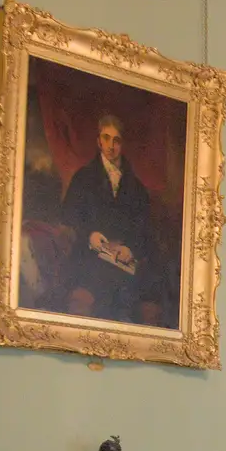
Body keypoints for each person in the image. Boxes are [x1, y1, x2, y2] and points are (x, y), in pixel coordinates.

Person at [61, 115, 156, 324]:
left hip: (125, 260)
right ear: (98, 141)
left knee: (133, 298)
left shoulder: (137, 188)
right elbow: (70, 215)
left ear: (122, 144)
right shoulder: (83, 178)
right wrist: (89, 234)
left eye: (116, 140)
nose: (111, 146)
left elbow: (144, 227)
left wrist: (131, 248)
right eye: (106, 138)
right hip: (91, 256)